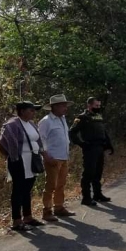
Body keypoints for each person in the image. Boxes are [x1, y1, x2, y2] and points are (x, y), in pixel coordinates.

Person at [0, 101, 46, 230]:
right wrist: (13, 156)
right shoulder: (12, 124)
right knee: (18, 190)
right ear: (22, 111)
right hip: (19, 161)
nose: (33, 112)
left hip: (32, 160)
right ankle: (17, 220)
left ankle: (28, 217)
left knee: (27, 189)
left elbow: (37, 140)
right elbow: (3, 143)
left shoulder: (31, 124)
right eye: (31, 110)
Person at [69, 97, 114, 207]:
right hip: (90, 148)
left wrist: (109, 145)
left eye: (99, 106)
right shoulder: (81, 117)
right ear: (89, 105)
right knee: (88, 173)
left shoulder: (98, 116)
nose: (98, 108)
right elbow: (72, 132)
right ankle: (86, 198)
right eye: (96, 106)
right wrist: (81, 143)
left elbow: (104, 132)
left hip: (100, 148)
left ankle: (97, 194)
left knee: (98, 173)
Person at [38, 94, 76, 222]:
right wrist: (46, 156)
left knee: (61, 184)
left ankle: (59, 207)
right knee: (50, 185)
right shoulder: (46, 121)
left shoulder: (62, 119)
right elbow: (40, 139)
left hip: (64, 157)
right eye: (62, 106)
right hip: (53, 158)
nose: (65, 108)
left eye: (65, 105)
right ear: (54, 107)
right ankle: (47, 211)